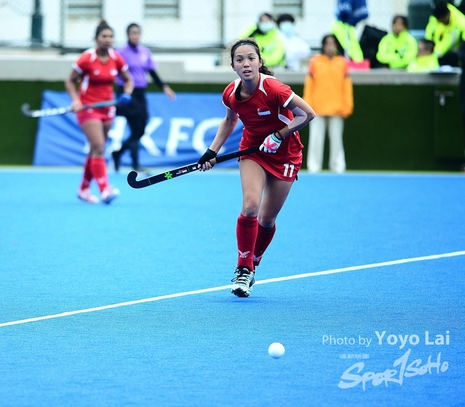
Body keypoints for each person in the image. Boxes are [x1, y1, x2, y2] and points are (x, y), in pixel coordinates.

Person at [197, 38, 315, 298]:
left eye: (251, 58)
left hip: (286, 154)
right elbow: (229, 121)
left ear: (260, 62)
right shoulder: (231, 93)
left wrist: (279, 135)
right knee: (251, 206)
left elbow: (307, 114)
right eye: (239, 60)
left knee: (267, 219)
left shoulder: (274, 88)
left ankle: (254, 262)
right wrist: (212, 151)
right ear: (233, 66)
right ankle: (243, 268)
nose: (246, 63)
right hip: (253, 150)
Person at [65, 20, 134, 204]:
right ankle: (105, 190)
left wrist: (127, 94)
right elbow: (70, 81)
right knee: (98, 146)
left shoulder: (116, 58)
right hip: (88, 108)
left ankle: (83, 189)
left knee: (95, 149)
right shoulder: (86, 58)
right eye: (104, 36)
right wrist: (76, 100)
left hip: (108, 108)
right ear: (96, 39)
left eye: (111, 36)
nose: (108, 39)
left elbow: (129, 80)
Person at [112, 23, 176, 173]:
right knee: (135, 128)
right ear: (128, 35)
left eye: (137, 33)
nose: (135, 36)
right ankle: (135, 164)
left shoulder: (144, 51)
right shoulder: (120, 51)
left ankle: (118, 153)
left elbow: (152, 72)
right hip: (127, 94)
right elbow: (113, 70)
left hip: (140, 94)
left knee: (140, 129)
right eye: (132, 33)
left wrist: (164, 87)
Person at [303, 34, 354, 173]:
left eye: (332, 43)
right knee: (316, 139)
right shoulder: (315, 62)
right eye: (327, 43)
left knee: (336, 140)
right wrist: (307, 107)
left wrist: (347, 106)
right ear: (323, 46)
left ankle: (338, 167)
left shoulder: (342, 63)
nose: (330, 46)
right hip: (317, 108)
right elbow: (309, 86)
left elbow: (347, 87)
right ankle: (314, 167)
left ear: (336, 46)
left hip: (337, 108)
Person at [424, 2, 465, 67]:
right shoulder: (435, 17)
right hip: (437, 51)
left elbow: (448, 42)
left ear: (448, 14)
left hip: (454, 55)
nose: (440, 22)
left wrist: (433, 56)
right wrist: (427, 46)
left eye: (442, 19)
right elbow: (429, 32)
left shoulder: (460, 23)